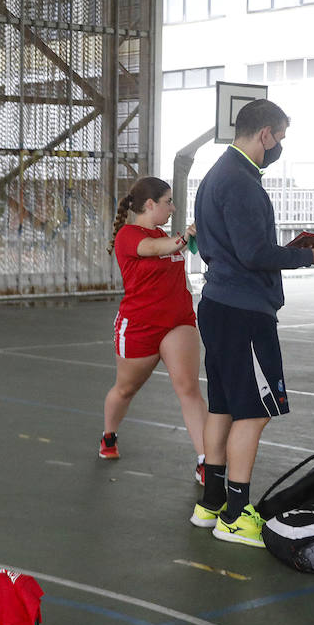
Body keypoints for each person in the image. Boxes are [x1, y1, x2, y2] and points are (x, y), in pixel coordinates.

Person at [191, 99, 314, 546]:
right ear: (265, 134)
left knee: (223, 406)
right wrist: (308, 256)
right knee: (254, 414)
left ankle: (212, 502)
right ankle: (237, 515)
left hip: (218, 303)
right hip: (243, 310)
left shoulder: (216, 174)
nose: (279, 147)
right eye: (280, 137)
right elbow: (255, 253)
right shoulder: (241, 181)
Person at [99, 177, 207, 485]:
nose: (173, 208)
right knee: (125, 389)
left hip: (178, 323)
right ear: (150, 205)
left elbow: (171, 257)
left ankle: (206, 462)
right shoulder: (128, 235)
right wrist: (182, 238)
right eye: (168, 202)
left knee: (189, 390)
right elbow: (151, 249)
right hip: (139, 327)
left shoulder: (166, 236)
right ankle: (109, 435)